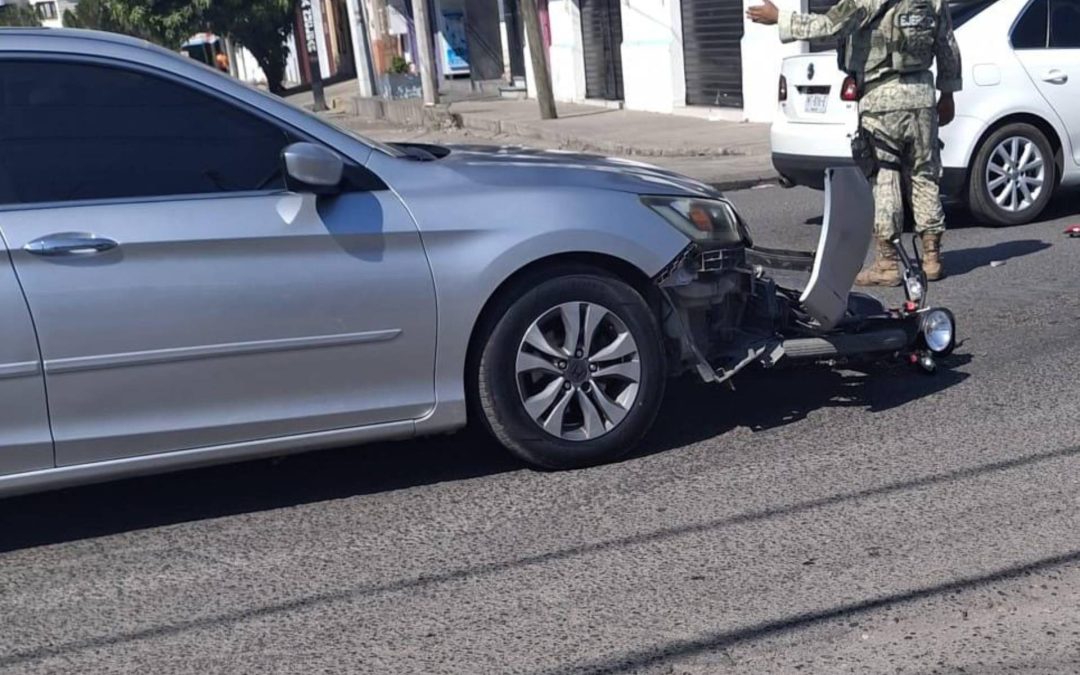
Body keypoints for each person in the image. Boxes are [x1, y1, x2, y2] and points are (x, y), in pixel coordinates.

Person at [747, 0, 962, 284]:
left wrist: (780, 18)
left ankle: (887, 263)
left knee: (885, 176)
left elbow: (830, 25)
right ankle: (932, 258)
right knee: (925, 174)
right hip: (921, 98)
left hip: (880, 97)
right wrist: (947, 93)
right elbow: (947, 45)